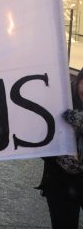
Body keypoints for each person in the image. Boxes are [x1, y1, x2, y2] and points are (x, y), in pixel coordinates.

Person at [37, 68, 83, 228]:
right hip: (60, 182)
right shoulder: (60, 101)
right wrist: (58, 155)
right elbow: (38, 141)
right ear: (79, 81)